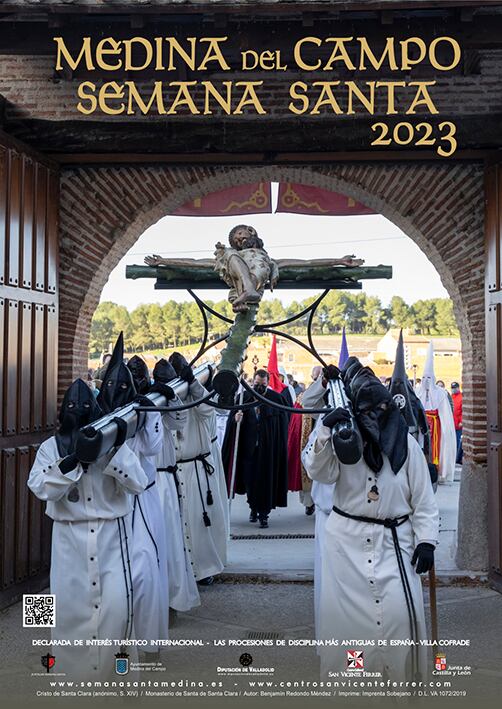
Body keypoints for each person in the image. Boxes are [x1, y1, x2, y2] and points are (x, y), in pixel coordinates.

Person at [302, 359, 439, 682]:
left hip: (395, 545)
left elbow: (423, 501)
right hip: (346, 550)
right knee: (352, 631)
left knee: (398, 618)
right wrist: (325, 430)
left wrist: (427, 540)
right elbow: (318, 471)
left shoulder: (407, 447)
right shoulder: (345, 439)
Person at [27, 379, 148, 679]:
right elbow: (40, 487)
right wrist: (73, 461)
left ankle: (119, 684)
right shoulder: (49, 447)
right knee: (65, 616)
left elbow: (138, 483)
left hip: (111, 539)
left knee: (117, 611)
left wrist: (111, 450)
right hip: (68, 541)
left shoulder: (110, 442)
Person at [99, 337, 169, 655]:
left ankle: (146, 637)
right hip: (108, 506)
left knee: (144, 567)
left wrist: (149, 414)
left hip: (142, 498)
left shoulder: (145, 408)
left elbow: (152, 447)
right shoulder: (97, 419)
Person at [169, 352, 228, 584]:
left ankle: (204, 568)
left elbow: (207, 410)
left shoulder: (196, 396)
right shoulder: (50, 450)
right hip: (175, 471)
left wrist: (193, 385)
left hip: (195, 468)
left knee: (199, 523)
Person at [153, 358, 201, 612]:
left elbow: (179, 421)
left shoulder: (161, 405)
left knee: (168, 541)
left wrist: (170, 398)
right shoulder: (50, 451)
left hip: (161, 483)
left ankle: (170, 598)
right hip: (73, 535)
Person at [222, 369, 288, 529]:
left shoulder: (276, 399)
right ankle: (253, 507)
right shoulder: (243, 398)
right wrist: (236, 420)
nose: (259, 387)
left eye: (263, 385)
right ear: (252, 382)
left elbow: (282, 425)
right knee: (250, 482)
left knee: (265, 482)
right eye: (257, 384)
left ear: (268, 383)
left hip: (267, 450)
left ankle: (263, 514)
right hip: (248, 449)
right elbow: (232, 424)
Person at [417, 343, 457, 483]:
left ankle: (437, 471)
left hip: (436, 427)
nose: (425, 382)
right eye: (423, 378)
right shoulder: (417, 392)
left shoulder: (440, 394)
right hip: (422, 425)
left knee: (435, 449)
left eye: (428, 378)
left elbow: (445, 414)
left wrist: (445, 429)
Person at [451, 381, 463, 465]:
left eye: (455, 388)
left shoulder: (461, 397)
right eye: (452, 388)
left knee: (459, 442)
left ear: (458, 388)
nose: (454, 389)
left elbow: (463, 410)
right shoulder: (451, 397)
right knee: (453, 442)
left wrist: (462, 421)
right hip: (452, 424)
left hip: (458, 425)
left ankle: (457, 458)